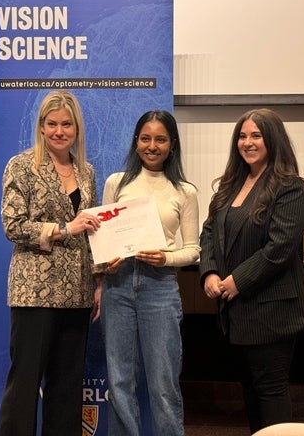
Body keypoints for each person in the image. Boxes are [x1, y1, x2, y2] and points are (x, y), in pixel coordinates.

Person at [199, 108, 304, 434]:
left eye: (256, 136)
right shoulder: (230, 186)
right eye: (243, 136)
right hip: (236, 314)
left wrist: (236, 281)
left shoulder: (291, 188)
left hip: (272, 314)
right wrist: (209, 273)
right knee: (249, 392)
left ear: (272, 140)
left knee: (271, 393)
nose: (247, 143)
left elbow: (279, 250)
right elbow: (209, 233)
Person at [0, 90, 102, 436]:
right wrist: (63, 228)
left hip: (76, 294)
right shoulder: (21, 166)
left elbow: (93, 234)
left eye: (66, 124)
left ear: (77, 129)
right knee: (25, 383)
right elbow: (13, 225)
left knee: (67, 386)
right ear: (41, 127)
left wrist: (98, 282)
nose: (59, 131)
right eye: (52, 123)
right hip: (34, 293)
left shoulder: (86, 172)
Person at [99, 110, 200, 436]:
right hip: (118, 286)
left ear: (172, 145)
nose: (152, 146)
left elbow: (193, 249)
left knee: (163, 381)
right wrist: (106, 264)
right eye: (145, 138)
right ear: (136, 141)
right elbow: (102, 244)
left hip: (160, 287)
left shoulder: (184, 191)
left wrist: (166, 259)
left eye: (160, 139)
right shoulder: (117, 183)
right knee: (120, 380)